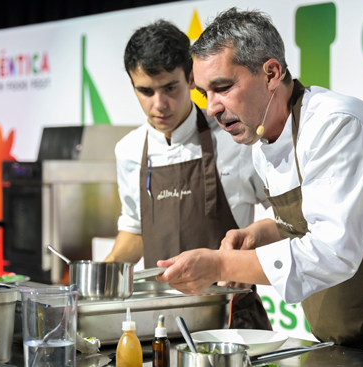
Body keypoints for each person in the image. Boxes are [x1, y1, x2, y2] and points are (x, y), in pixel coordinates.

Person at [157, 8, 363, 361]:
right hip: (348, 344)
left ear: (271, 73)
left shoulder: (338, 127)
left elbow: (334, 252)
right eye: (205, 93)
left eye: (223, 88)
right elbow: (312, 218)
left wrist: (221, 265)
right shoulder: (261, 141)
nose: (211, 107)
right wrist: (262, 232)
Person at [104, 19, 272, 330]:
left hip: (233, 321)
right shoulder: (128, 151)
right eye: (145, 91)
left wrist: (243, 257)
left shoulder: (236, 139)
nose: (160, 104)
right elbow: (135, 228)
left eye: (170, 88)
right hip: (158, 323)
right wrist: (102, 276)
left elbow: (287, 216)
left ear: (191, 78)